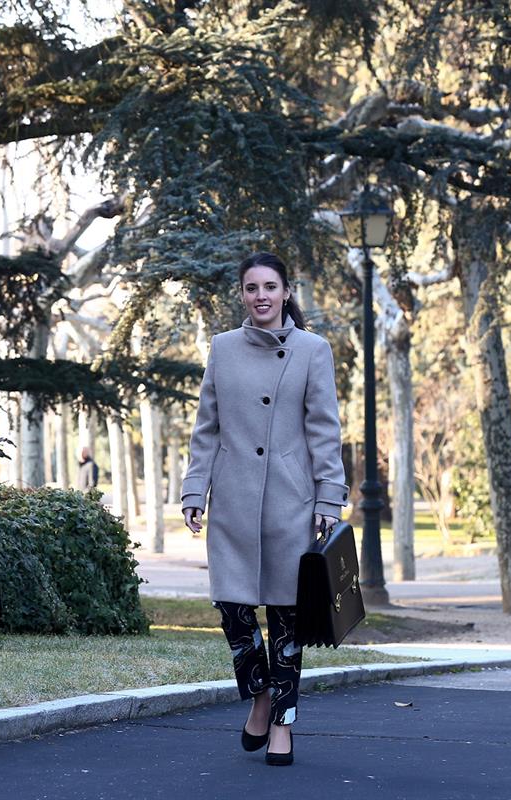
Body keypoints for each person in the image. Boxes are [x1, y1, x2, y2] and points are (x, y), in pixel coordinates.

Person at [180, 251, 348, 767]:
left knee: (287, 619)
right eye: (252, 287)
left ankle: (282, 723)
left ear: (286, 291)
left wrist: (328, 496)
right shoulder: (222, 349)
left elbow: (324, 429)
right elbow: (206, 426)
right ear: (242, 294)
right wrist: (193, 489)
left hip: (290, 502)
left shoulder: (312, 350)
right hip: (231, 499)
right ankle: (258, 694)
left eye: (270, 287)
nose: (261, 296)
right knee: (232, 609)